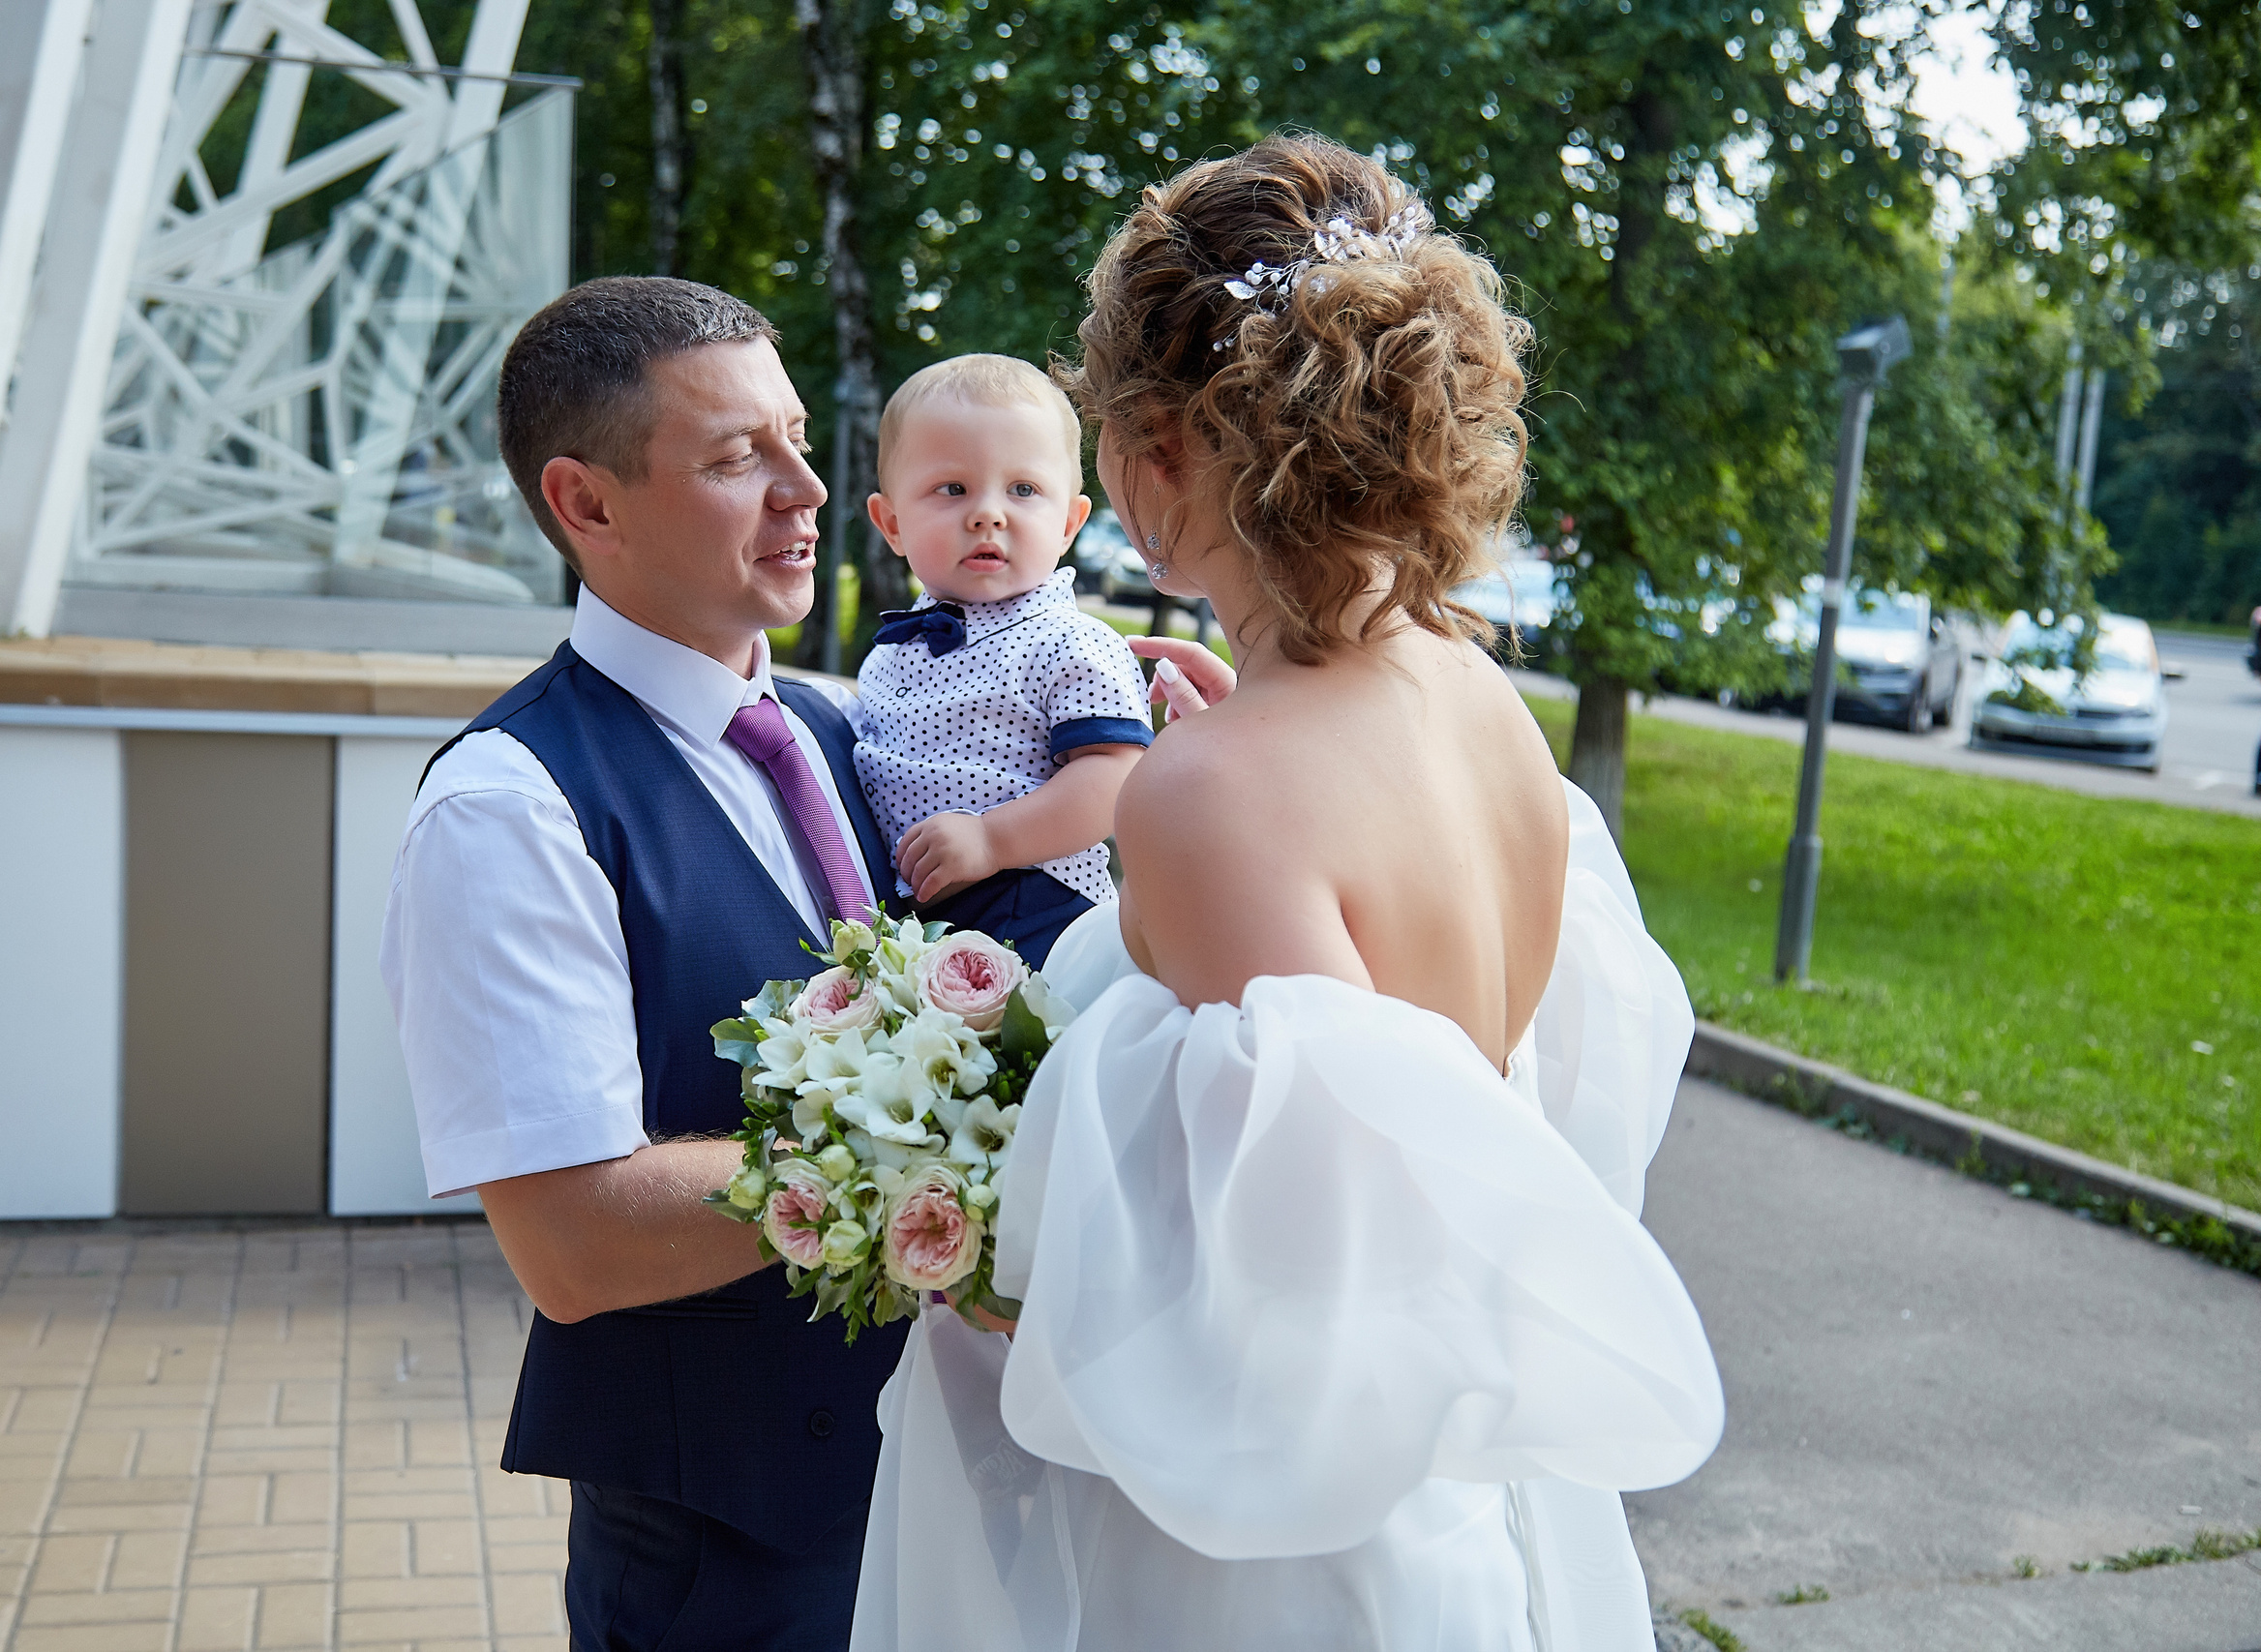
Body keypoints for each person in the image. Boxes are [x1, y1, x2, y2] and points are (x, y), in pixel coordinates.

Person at [849, 135, 1725, 1651]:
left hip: (1275, 1572)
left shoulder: (1210, 791)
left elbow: (1261, 1310)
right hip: (1462, 1519)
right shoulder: (1481, 703)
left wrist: (969, 1249)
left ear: (1151, 455)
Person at [381, 277, 909, 1652]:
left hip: (923, 1499)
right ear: (588, 504)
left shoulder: (840, 729)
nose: (808, 489)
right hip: (729, 1564)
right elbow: (577, 1234)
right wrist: (941, 1155)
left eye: (797, 439)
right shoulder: (511, 802)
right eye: (739, 457)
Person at [856, 353, 1153, 966]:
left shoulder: (1069, 641)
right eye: (952, 489)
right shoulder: (894, 649)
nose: (988, 512)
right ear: (892, 524)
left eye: (1023, 489)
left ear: (1069, 523)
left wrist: (995, 838)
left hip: (1036, 900)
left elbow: (1115, 779)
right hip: (918, 920)